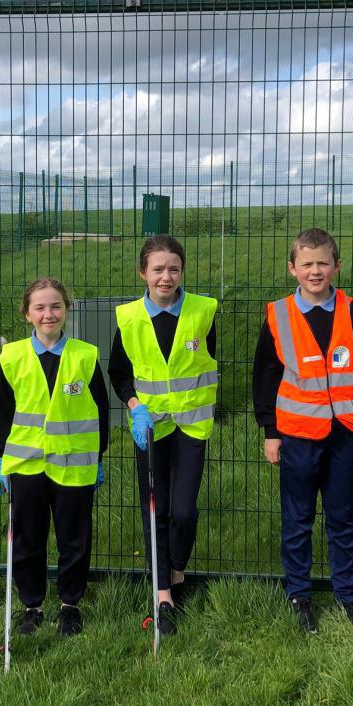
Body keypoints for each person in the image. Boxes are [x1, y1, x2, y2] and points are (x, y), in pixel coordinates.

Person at [252, 227, 353, 635]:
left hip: (345, 434)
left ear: (337, 266)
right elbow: (265, 376)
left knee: (344, 517)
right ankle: (300, 595)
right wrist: (270, 431)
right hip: (295, 435)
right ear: (293, 268)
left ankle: (348, 596)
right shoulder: (277, 314)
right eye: (307, 263)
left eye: (323, 263)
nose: (316, 270)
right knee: (298, 518)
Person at [0, 278, 109, 636]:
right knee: (28, 536)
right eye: (39, 307)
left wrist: (99, 457)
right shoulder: (12, 358)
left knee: (74, 537)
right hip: (27, 465)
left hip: (74, 465)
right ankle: (32, 605)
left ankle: (70, 604)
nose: (48, 314)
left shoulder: (85, 356)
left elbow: (99, 410)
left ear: (66, 310)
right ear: (27, 314)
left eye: (55, 306)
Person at [109, 235, 217, 635]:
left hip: (191, 426)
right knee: (156, 507)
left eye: (173, 268)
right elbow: (118, 373)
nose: (165, 276)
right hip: (150, 427)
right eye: (157, 269)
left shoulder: (203, 312)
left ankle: (176, 570)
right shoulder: (129, 317)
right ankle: (162, 594)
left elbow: (207, 364)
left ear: (182, 271)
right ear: (143, 273)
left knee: (184, 510)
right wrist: (136, 409)